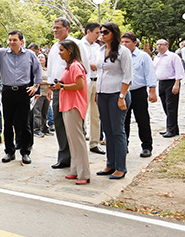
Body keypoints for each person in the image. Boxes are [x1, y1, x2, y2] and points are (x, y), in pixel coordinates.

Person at [0, 30, 42, 164]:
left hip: (23, 92)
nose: (11, 42)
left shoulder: (30, 54)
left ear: (21, 41)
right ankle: (9, 152)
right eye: (10, 40)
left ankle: (25, 152)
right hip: (7, 92)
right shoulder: (2, 53)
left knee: (25, 124)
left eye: (14, 40)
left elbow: (37, 70)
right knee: (8, 123)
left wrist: (36, 86)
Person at [47, 17, 90, 169]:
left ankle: (77, 159)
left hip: (74, 91)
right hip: (58, 90)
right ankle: (64, 157)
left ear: (67, 28)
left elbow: (85, 70)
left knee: (75, 126)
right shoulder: (53, 47)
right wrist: (49, 88)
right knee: (59, 123)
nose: (55, 30)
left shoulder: (77, 44)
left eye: (58, 27)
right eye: (54, 28)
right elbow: (51, 69)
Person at [94, 22, 132, 180]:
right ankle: (110, 163)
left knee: (117, 131)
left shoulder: (123, 52)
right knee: (107, 131)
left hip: (117, 94)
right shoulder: (101, 50)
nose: (102, 35)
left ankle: (121, 167)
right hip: (102, 94)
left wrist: (122, 97)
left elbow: (128, 76)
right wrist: (97, 92)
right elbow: (100, 72)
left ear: (114, 33)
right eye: (100, 32)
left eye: (105, 32)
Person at [122, 32, 158, 157]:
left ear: (134, 43)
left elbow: (150, 74)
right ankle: (123, 145)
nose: (124, 44)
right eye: (122, 42)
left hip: (138, 91)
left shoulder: (143, 56)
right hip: (124, 92)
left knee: (142, 120)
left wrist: (152, 91)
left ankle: (147, 146)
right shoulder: (120, 56)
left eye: (127, 42)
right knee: (123, 120)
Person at [80, 22, 104, 155]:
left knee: (96, 114)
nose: (99, 35)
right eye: (97, 33)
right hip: (85, 81)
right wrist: (91, 66)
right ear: (88, 31)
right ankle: (81, 141)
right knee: (82, 112)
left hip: (97, 80)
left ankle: (94, 142)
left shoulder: (98, 47)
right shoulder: (79, 45)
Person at [153, 39, 184, 138]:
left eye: (161, 45)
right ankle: (172, 128)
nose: (159, 46)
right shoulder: (156, 58)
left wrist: (177, 83)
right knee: (165, 106)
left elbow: (179, 71)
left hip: (171, 82)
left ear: (167, 46)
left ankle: (171, 129)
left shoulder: (173, 56)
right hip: (161, 82)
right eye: (157, 45)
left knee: (171, 107)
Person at [32, 53, 51, 138]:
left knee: (45, 111)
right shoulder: (36, 69)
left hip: (47, 93)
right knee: (37, 112)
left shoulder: (48, 69)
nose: (40, 59)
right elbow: (36, 80)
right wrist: (47, 82)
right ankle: (36, 129)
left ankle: (45, 128)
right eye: (38, 57)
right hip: (39, 92)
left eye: (42, 57)